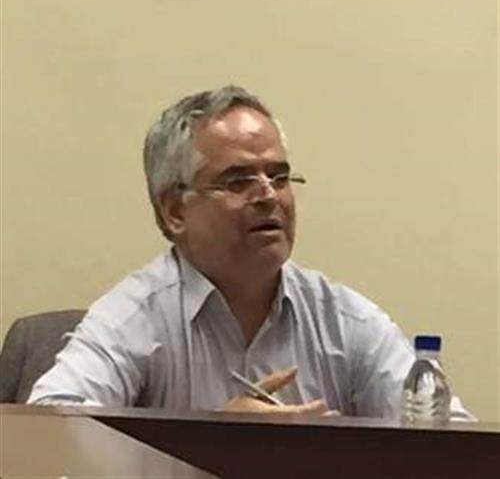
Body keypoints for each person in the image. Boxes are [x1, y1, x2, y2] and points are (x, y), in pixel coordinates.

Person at [28, 86, 471, 419]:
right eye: (238, 181)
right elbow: (49, 433)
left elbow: (451, 444)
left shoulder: (343, 321)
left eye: (279, 177)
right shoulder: (135, 318)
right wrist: (211, 441)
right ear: (174, 210)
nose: (269, 196)